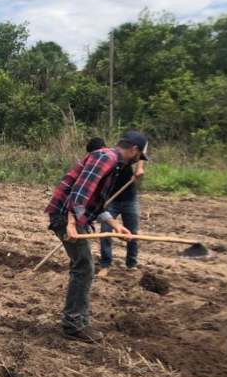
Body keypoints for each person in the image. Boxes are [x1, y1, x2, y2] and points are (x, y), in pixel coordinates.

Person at [44, 130, 150, 343]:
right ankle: (73, 324)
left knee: (84, 265)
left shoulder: (114, 163)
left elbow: (96, 202)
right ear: (135, 150)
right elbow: (80, 192)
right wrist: (71, 224)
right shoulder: (106, 158)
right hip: (66, 215)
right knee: (83, 266)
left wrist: (115, 225)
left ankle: (78, 321)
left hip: (71, 214)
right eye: (141, 156)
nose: (140, 161)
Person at [98, 144, 145, 278]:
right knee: (105, 232)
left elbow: (142, 151)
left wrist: (139, 167)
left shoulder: (126, 156)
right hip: (110, 200)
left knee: (132, 233)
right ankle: (105, 265)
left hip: (129, 199)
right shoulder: (105, 162)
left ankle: (131, 264)